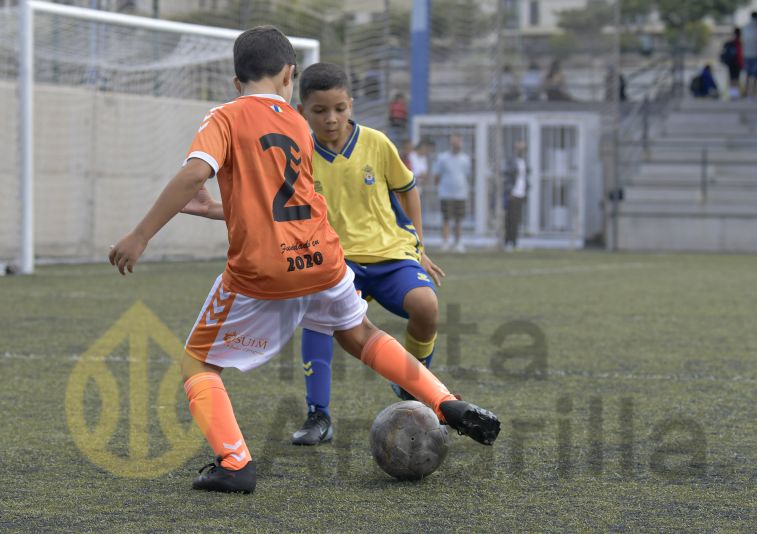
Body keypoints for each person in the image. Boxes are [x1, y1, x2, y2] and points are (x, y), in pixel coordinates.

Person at [108, 27, 500, 493]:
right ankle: (444, 401)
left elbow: (196, 172)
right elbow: (282, 201)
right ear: (289, 75)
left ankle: (235, 463)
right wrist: (224, 210)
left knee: (197, 365)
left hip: (263, 270)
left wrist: (140, 234)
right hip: (323, 257)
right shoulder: (296, 124)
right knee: (360, 334)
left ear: (237, 83)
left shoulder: (225, 117)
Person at [183, 61, 447, 447]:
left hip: (388, 255)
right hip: (333, 259)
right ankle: (318, 416)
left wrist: (418, 246)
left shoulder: (376, 143)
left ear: (351, 106)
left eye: (340, 109)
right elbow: (269, 205)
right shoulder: (297, 146)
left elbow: (408, 188)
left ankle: (415, 380)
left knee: (427, 306)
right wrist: (213, 209)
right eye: (320, 111)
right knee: (319, 322)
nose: (332, 119)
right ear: (302, 110)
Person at [432, 134, 471, 253]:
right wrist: (440, 187)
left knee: (459, 219)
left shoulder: (465, 159)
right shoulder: (442, 158)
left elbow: (467, 174)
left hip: (461, 194)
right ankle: (445, 242)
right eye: (454, 142)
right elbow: (437, 175)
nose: (456, 144)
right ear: (450, 143)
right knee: (446, 219)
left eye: (458, 142)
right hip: (446, 193)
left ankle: (458, 242)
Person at [503, 140, 529, 252]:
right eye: (519, 146)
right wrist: (510, 191)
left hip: (521, 193)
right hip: (513, 193)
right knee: (510, 219)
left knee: (517, 219)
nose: (521, 149)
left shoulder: (524, 161)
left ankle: (515, 242)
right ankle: (508, 242)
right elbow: (507, 175)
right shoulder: (511, 161)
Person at [742, 11, 757, 99]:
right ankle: (753, 93)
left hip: (746, 54)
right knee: (756, 75)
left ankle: (746, 93)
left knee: (747, 75)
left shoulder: (745, 27)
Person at [720, 27, 744, 99]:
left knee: (731, 78)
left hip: (731, 62)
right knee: (736, 78)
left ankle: (732, 94)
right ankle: (735, 94)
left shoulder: (730, 42)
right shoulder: (740, 42)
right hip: (738, 62)